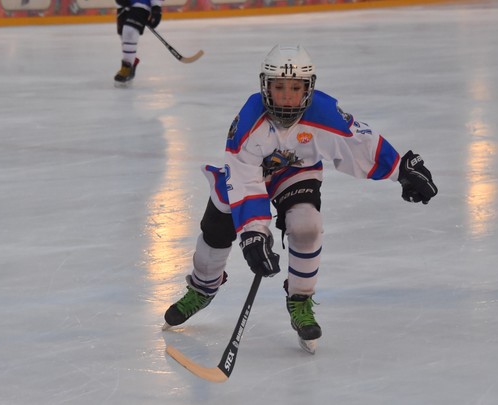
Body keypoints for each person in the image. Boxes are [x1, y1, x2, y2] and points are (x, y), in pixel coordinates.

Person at [161, 44, 438, 353]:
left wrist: (400, 169)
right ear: (266, 86)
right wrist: (254, 233)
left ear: (309, 86)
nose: (288, 95)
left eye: (296, 87)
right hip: (250, 176)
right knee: (218, 224)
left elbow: (359, 144)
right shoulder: (249, 120)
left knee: (307, 225)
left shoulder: (323, 112)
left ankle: (300, 300)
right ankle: (202, 287)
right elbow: (243, 177)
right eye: (279, 87)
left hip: (296, 171)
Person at [114, 0, 163, 86]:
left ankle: (127, 68)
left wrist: (156, 6)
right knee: (123, 35)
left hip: (142, 2)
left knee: (130, 32)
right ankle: (131, 61)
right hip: (122, 4)